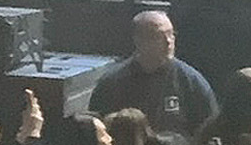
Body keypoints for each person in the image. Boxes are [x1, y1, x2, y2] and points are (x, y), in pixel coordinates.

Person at [91, 12, 220, 138]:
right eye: (159, 36)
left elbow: (210, 131)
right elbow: (97, 132)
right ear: (139, 41)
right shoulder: (112, 84)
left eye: (171, 34)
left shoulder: (191, 81)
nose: (168, 41)